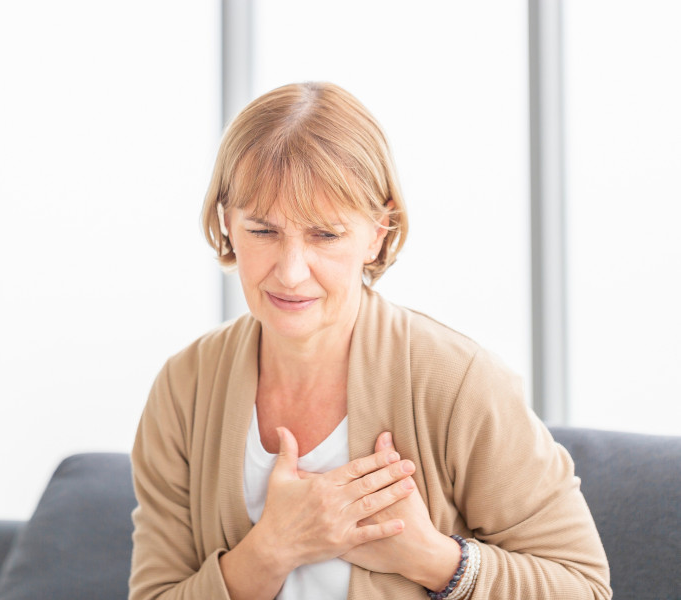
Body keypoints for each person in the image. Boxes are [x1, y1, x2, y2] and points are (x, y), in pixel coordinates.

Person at [129, 82, 611, 600]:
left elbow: (583, 586)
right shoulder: (185, 387)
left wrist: (432, 558)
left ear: (378, 231)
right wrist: (273, 548)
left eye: (325, 235)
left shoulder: (457, 380)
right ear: (227, 222)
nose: (291, 273)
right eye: (263, 232)